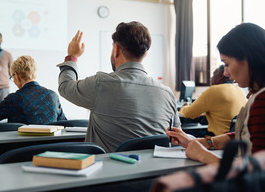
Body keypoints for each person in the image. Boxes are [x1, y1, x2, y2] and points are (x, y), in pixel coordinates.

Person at [57, 21, 180, 152]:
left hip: (108, 171)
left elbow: (65, 86)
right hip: (155, 171)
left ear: (116, 49)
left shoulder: (101, 84)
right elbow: (178, 138)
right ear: (145, 53)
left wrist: (72, 56)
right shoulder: (167, 93)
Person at [166, 22, 265, 164]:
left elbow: (255, 174)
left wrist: (203, 155)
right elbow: (241, 137)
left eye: (227, 64)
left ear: (246, 58)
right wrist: (197, 142)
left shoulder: (262, 100)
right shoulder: (254, 95)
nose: (225, 72)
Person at [0, 55, 66, 124]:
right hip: (50, 140)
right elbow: (64, 123)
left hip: (21, 140)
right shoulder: (53, 96)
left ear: (16, 76)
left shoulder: (13, 99)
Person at [179, 65, 247, 136]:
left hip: (217, 139)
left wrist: (183, 107)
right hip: (235, 137)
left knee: (181, 132)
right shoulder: (240, 90)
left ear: (221, 76)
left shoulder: (214, 90)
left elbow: (188, 113)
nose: (211, 78)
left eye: (214, 75)